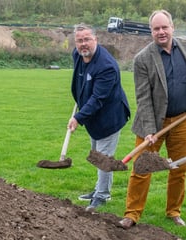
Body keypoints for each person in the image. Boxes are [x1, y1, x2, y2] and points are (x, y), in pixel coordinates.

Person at [118, 9, 186, 229]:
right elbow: (143, 97)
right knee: (142, 169)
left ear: (172, 27)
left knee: (179, 169)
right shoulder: (143, 59)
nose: (161, 32)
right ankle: (132, 214)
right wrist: (150, 130)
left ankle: (173, 211)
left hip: (183, 120)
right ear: (150, 31)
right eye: (156, 28)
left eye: (164, 27)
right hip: (152, 124)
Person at [68, 23, 130, 211]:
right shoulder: (77, 55)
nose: (83, 44)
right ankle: (99, 190)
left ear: (96, 39)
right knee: (97, 153)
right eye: (79, 40)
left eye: (87, 39)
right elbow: (81, 81)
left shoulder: (107, 66)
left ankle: (102, 196)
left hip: (109, 117)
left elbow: (98, 98)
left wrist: (78, 117)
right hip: (93, 115)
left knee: (103, 157)